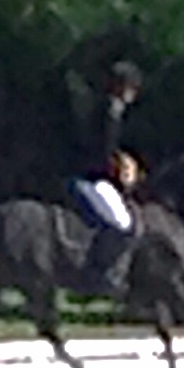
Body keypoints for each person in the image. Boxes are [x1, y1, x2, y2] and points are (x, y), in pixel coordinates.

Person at [70, 60, 144, 295]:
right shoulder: (108, 112)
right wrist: (121, 174)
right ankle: (101, 272)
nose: (133, 93)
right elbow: (103, 153)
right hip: (93, 179)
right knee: (123, 224)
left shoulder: (109, 110)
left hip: (97, 176)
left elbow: (110, 150)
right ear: (123, 87)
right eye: (131, 87)